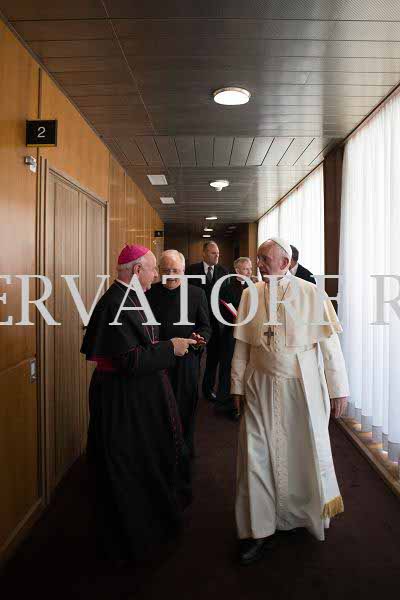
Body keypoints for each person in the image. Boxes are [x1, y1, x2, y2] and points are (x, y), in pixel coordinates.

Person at [231, 237, 350, 565]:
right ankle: (259, 530)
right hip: (259, 385)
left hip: (301, 387)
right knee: (255, 456)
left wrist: (338, 388)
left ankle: (299, 517)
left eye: (264, 259)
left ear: (284, 263)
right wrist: (236, 387)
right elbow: (242, 346)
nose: (258, 264)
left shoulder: (311, 293)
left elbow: (329, 346)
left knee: (301, 455)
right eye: (257, 258)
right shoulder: (250, 294)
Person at [81, 244, 196, 561]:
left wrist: (167, 346)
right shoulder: (115, 302)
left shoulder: (130, 296)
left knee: (144, 458)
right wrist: (171, 348)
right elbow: (129, 360)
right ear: (136, 270)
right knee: (127, 464)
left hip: (136, 395)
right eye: (153, 269)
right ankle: (130, 535)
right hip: (122, 400)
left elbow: (142, 344)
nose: (157, 275)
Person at [146, 249, 211, 463]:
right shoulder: (148, 293)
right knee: (157, 410)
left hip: (186, 363)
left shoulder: (196, 294)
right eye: (166, 270)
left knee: (185, 409)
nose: (171, 275)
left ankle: (184, 453)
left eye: (175, 270)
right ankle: (159, 455)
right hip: (156, 363)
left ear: (183, 271)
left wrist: (199, 338)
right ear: (159, 271)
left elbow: (206, 327)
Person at [186, 241, 229, 402]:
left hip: (217, 324)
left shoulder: (224, 272)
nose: (217, 255)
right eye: (213, 253)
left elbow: (226, 296)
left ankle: (208, 389)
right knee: (194, 358)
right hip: (197, 322)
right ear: (204, 253)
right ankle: (191, 390)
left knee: (212, 359)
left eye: (218, 253)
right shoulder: (191, 271)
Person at [214, 257, 252, 421]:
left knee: (248, 367)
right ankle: (227, 404)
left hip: (249, 333)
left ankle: (246, 404)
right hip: (231, 333)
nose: (249, 272)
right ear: (237, 270)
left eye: (250, 269)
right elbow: (221, 312)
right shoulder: (226, 289)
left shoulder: (255, 287)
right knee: (229, 367)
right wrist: (233, 318)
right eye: (246, 269)